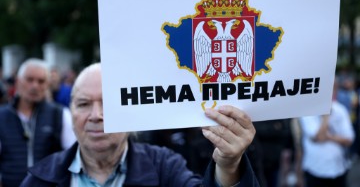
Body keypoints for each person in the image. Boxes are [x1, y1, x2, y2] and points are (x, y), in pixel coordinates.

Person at [20, 63, 259, 186]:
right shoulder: (42, 177)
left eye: (109, 103)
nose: (96, 115)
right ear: (70, 112)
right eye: (83, 104)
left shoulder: (165, 168)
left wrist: (228, 167)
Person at [0, 58, 76, 187]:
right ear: (18, 82)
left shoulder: (61, 114)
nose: (35, 86)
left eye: (41, 81)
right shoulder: (2, 116)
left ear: (47, 85)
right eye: (29, 80)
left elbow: (74, 157)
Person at [300, 83, 355, 187]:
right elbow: (319, 136)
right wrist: (326, 116)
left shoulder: (340, 110)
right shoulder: (306, 111)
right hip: (315, 170)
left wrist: (328, 137)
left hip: (339, 169)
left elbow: (349, 139)